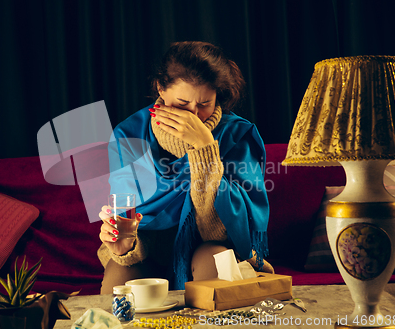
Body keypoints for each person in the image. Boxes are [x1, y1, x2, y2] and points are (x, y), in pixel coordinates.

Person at [98, 41, 273, 294]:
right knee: (119, 274)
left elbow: (224, 231)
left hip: (211, 244)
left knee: (211, 260)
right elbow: (129, 217)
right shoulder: (129, 134)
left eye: (205, 104)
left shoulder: (237, 135)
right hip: (147, 247)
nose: (193, 115)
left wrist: (204, 150)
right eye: (182, 104)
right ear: (161, 89)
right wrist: (125, 245)